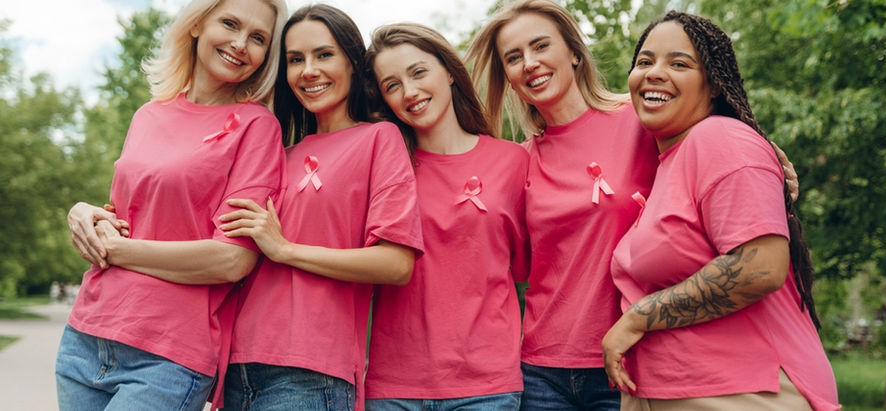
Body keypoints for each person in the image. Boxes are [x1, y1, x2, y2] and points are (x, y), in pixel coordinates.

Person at [467, 1, 801, 409]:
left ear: (574, 52)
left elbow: (721, 147)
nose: (530, 63)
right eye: (514, 58)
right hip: (541, 369)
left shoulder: (643, 117)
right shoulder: (518, 161)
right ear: (508, 77)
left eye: (540, 46)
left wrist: (775, 166)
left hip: (628, 360)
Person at [600, 11, 839, 410]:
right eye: (645, 62)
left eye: (679, 63)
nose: (656, 72)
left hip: (744, 392)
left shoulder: (719, 138)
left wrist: (638, 317)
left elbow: (760, 265)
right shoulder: (670, 162)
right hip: (674, 390)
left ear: (713, 85)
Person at [56, 0, 288, 409]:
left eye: (258, 38)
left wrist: (118, 251)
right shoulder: (148, 113)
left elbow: (232, 260)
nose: (240, 44)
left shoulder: (257, 127)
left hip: (166, 355)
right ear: (197, 24)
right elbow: (126, 216)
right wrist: (83, 212)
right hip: (86, 336)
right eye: (230, 24)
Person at [216, 5, 424, 410]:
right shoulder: (277, 152)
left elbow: (396, 263)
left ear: (352, 62)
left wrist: (285, 250)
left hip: (311, 373)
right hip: (237, 366)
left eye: (324, 55)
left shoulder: (379, 139)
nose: (308, 70)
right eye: (296, 60)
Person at [363, 23, 528, 410]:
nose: (410, 92)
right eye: (392, 85)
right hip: (393, 387)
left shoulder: (513, 161)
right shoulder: (384, 168)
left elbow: (522, 268)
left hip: (487, 386)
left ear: (450, 71)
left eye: (418, 72)